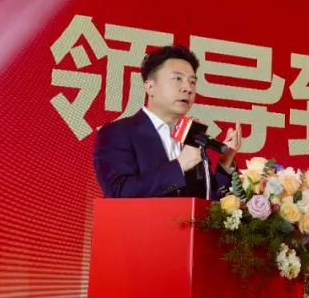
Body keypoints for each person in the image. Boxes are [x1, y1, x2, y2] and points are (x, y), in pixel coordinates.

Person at [93, 45, 241, 199]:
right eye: (177, 79)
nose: (188, 88)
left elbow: (209, 198)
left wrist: (226, 161)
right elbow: (118, 191)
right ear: (150, 87)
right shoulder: (118, 132)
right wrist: (179, 166)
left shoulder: (191, 136)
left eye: (192, 82)